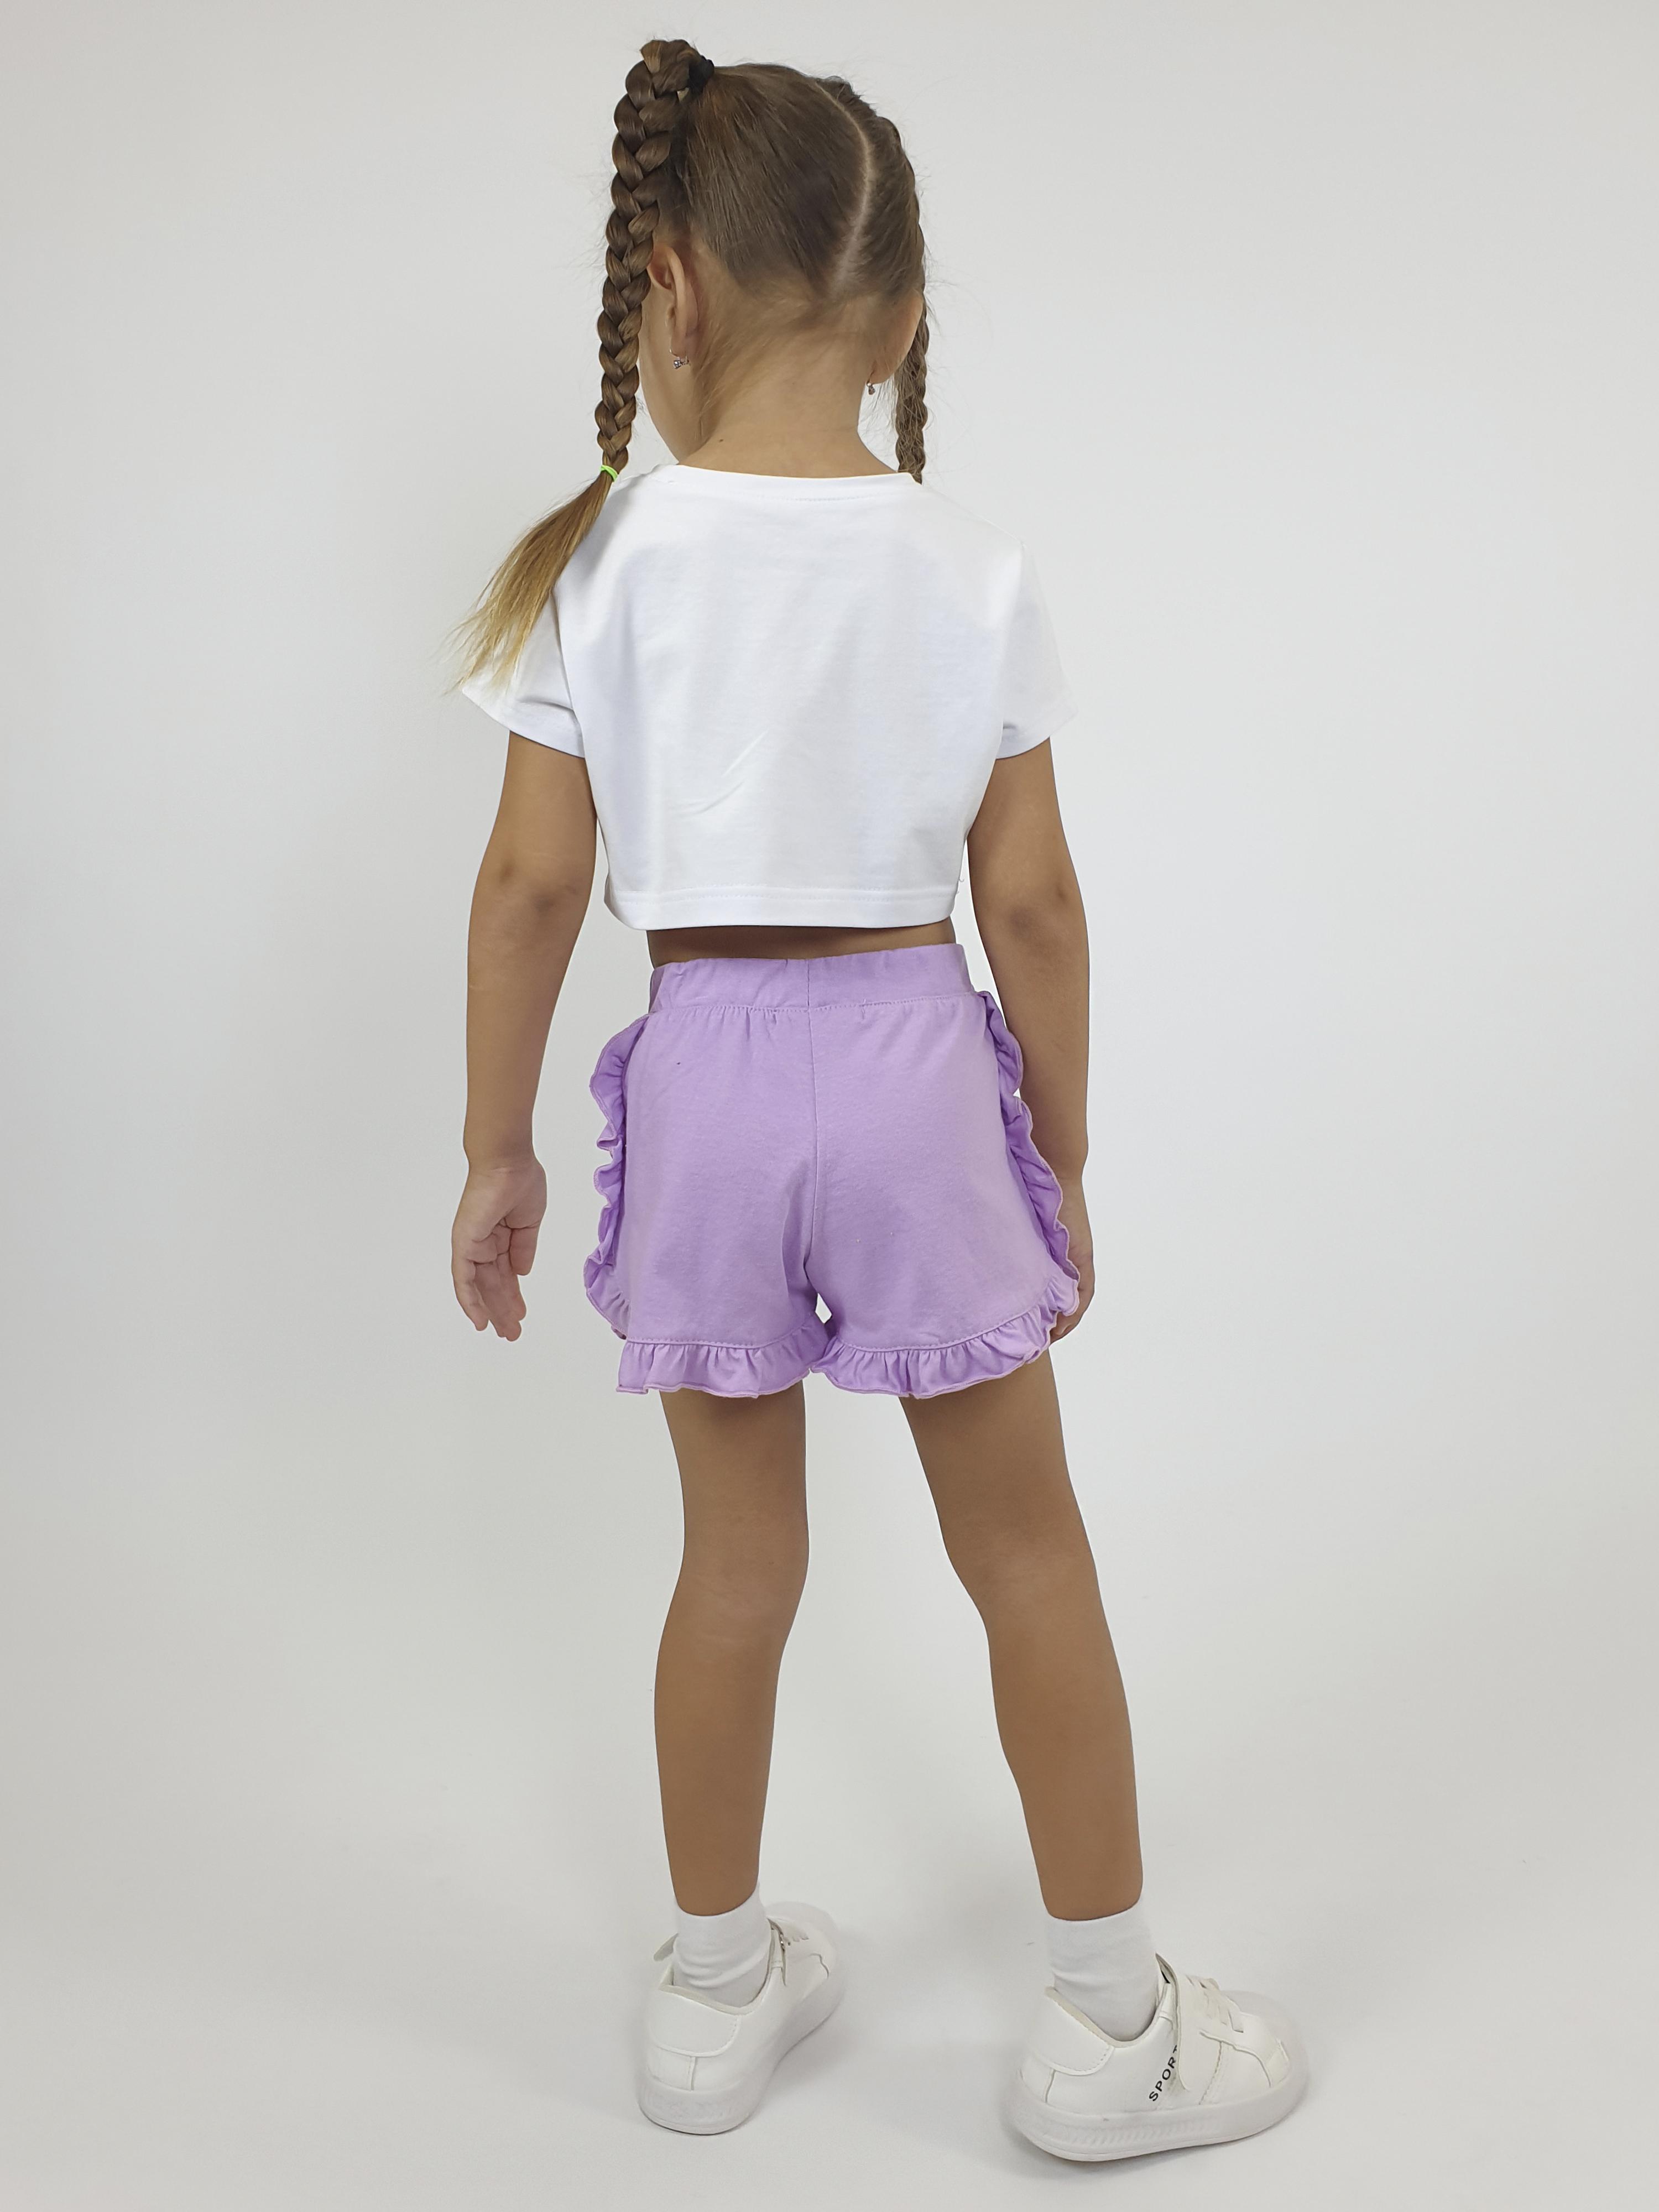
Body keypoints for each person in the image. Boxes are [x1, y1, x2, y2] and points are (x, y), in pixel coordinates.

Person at [450, 40, 1307, 2164]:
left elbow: (531, 885)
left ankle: (711, 1993)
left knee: (734, 1570)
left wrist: (495, 1145)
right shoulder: (969, 565)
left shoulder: (599, 562)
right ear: (907, 317)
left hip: (707, 1074)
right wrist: (1058, 1149)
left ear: (665, 286)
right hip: (919, 1064)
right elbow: (1035, 904)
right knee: (1027, 1553)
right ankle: (1111, 2022)